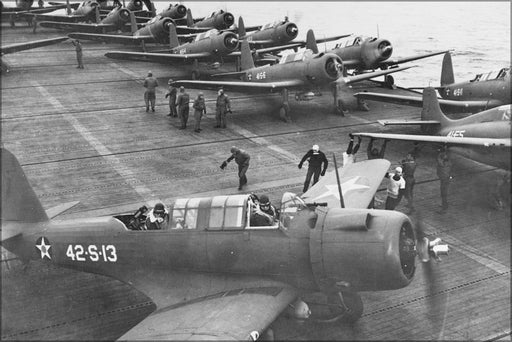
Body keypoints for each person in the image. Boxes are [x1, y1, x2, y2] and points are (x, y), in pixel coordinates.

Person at [436, 148, 452, 213]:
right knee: (444, 193)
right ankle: (445, 205)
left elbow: (438, 159)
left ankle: (444, 208)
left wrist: (440, 153)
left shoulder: (442, 165)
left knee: (443, 194)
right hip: (447, 179)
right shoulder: (449, 163)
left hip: (444, 180)